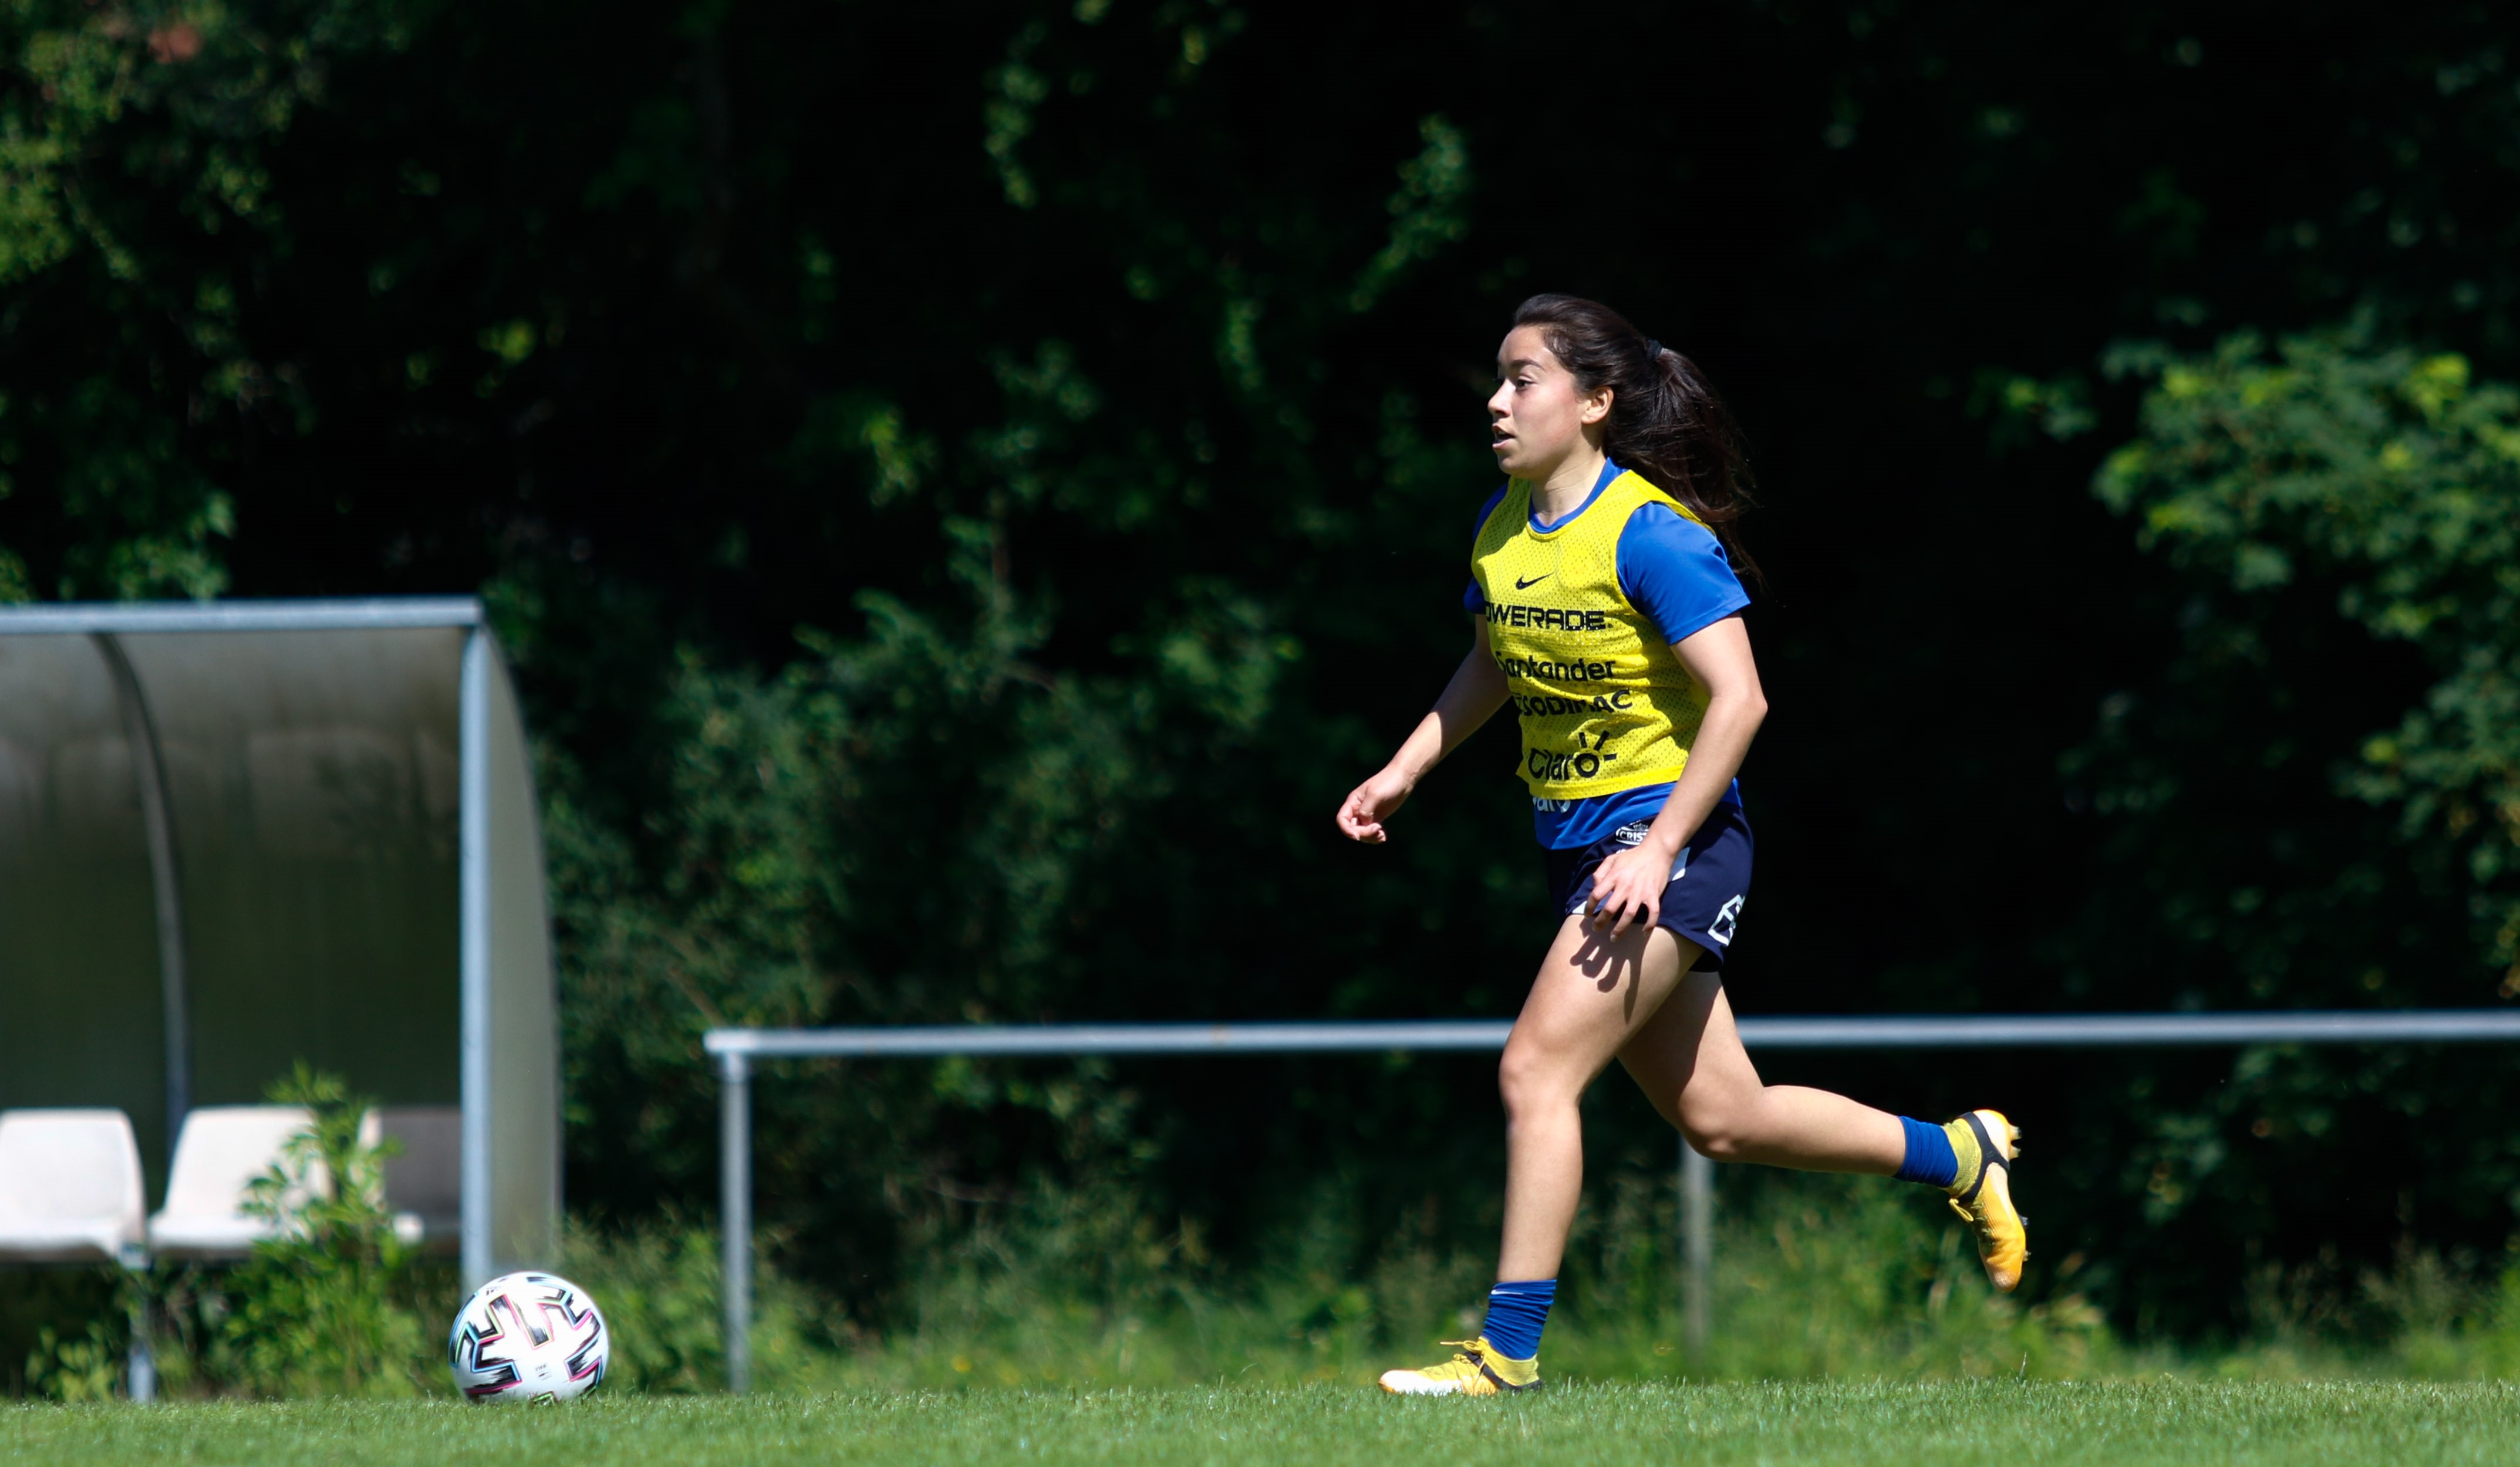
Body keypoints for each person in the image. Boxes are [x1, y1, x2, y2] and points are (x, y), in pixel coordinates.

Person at [1337, 294, 2025, 1397]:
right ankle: (1957, 1153)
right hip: (1585, 847)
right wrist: (1405, 766)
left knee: (1534, 1070)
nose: (1496, 401)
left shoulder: (1650, 533)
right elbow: (1490, 662)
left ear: (1594, 402)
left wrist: (1657, 850)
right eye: (1498, 379)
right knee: (1723, 1119)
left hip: (1673, 842)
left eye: (1523, 380)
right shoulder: (1503, 525)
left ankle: (1504, 1355)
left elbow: (1741, 701)